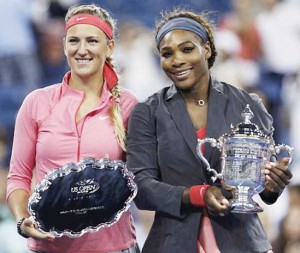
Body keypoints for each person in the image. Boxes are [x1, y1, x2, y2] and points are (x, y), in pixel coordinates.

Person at [126, 8, 293, 253]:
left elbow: (264, 181)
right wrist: (199, 194)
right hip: (172, 244)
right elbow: (141, 187)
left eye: (187, 49)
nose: (176, 60)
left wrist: (272, 185)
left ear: (206, 49)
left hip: (242, 242)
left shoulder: (248, 105)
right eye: (167, 53)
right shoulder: (146, 112)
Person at [6, 4, 140, 253]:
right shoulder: (36, 102)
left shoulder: (129, 105)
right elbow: (19, 177)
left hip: (115, 247)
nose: (82, 50)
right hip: (48, 248)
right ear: (65, 44)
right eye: (74, 41)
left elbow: (143, 176)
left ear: (109, 47)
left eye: (92, 41)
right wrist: (22, 219)